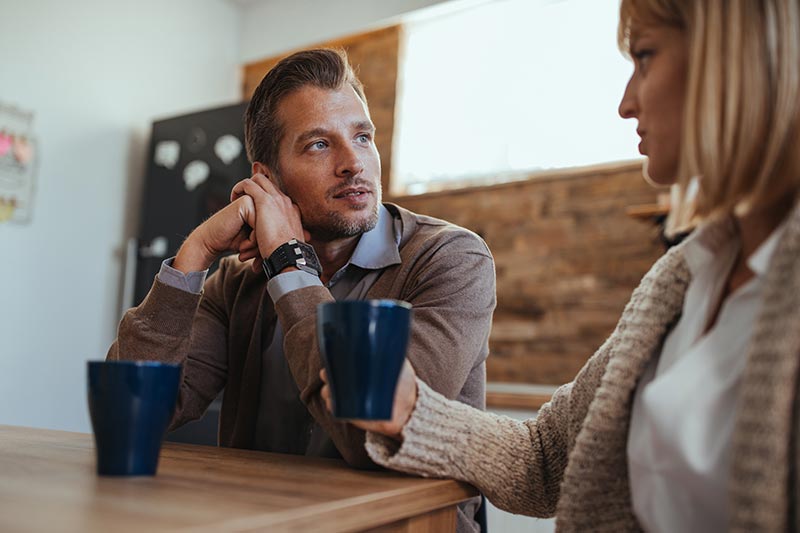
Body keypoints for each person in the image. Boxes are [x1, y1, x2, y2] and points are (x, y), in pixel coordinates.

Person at [322, 1, 800, 531]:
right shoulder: (681, 280)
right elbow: (547, 459)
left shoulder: (448, 254)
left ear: (737, 60)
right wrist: (411, 410)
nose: (625, 104)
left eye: (645, 57)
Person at [108, 48, 495, 532]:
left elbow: (373, 439)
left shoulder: (450, 259)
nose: (353, 163)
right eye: (318, 145)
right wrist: (196, 251)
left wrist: (290, 266)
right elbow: (131, 412)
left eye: (363, 137)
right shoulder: (237, 283)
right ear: (267, 180)